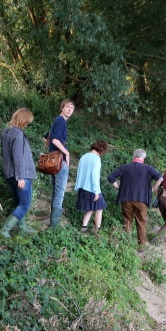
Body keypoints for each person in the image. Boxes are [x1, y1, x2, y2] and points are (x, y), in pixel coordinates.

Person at [107, 149, 163, 246]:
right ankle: (141, 245)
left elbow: (111, 177)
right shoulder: (148, 168)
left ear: (134, 157)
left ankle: (125, 244)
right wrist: (153, 188)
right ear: (143, 158)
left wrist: (118, 187)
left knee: (127, 220)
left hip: (126, 199)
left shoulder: (125, 167)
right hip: (142, 200)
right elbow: (160, 178)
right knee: (141, 222)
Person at [0, 108, 37, 237]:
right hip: (21, 175)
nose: (27, 124)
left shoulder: (6, 132)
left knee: (19, 203)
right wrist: (20, 177)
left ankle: (22, 227)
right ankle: (5, 230)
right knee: (24, 204)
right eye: (27, 122)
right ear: (23, 120)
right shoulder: (18, 133)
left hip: (9, 173)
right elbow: (18, 157)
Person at [48, 99, 75, 227]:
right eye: (67, 107)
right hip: (60, 162)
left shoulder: (57, 121)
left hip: (54, 162)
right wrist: (66, 153)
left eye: (72, 108)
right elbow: (54, 140)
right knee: (59, 193)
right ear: (62, 108)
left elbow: (46, 137)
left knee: (55, 191)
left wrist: (51, 152)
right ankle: (54, 227)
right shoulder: (61, 121)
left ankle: (52, 223)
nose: (70, 109)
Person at [74, 140, 109, 233]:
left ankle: (84, 226)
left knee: (90, 207)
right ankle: (98, 229)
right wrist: (97, 191)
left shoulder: (84, 156)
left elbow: (79, 172)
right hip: (92, 188)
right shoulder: (96, 159)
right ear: (102, 150)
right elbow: (95, 176)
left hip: (82, 186)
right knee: (99, 208)